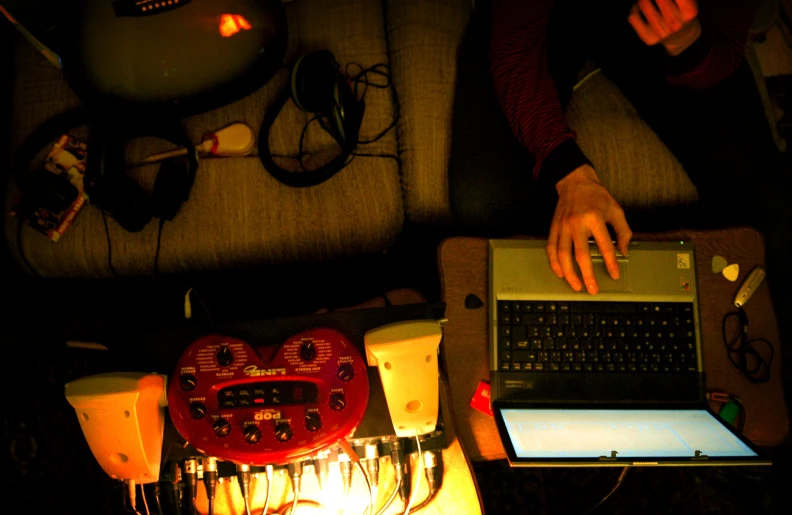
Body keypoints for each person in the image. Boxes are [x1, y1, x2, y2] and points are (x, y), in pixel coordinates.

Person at [449, 0, 790, 321]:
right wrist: (569, 172)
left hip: (669, 38)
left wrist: (687, 41)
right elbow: (515, 48)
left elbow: (724, 51)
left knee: (771, 203)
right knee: (484, 199)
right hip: (547, 18)